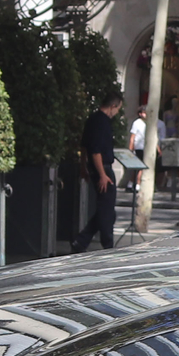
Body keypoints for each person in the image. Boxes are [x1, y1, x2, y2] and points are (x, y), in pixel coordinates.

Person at [72, 93, 123, 252]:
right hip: (103, 169)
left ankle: (81, 241)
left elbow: (84, 146)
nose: (117, 113)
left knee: (105, 209)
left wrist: (83, 167)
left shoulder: (92, 119)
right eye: (118, 109)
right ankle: (107, 245)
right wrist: (102, 174)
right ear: (113, 106)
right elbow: (95, 151)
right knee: (107, 210)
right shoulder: (102, 122)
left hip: (96, 168)